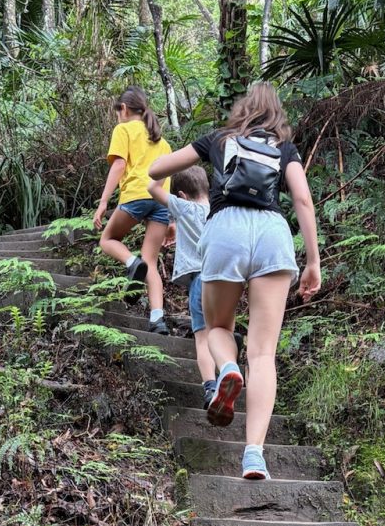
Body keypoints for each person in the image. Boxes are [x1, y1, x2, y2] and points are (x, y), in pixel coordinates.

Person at [148, 82, 321, 480]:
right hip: (272, 234)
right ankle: (255, 454)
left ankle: (226, 368)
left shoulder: (218, 139)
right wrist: (313, 261)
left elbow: (157, 171)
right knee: (263, 354)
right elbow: (303, 199)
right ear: (277, 114)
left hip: (225, 230)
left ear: (242, 109)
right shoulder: (285, 149)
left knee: (218, 328)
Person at [93, 86, 173, 335]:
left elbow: (119, 164)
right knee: (150, 261)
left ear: (124, 109)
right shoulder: (164, 143)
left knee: (107, 239)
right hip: (161, 201)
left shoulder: (123, 129)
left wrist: (104, 201)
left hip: (136, 195)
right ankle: (158, 319)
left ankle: (131, 262)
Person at [147, 166, 215, 407]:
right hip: (225, 282)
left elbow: (152, 187)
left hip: (200, 280)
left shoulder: (185, 208)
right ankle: (229, 369)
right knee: (221, 332)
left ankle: (211, 388)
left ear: (182, 195)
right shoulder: (220, 211)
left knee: (203, 337)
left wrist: (170, 164)